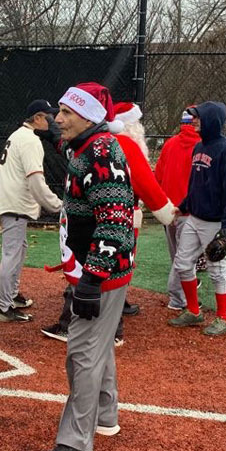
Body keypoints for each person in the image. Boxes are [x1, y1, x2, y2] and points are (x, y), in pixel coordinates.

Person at [35, 82, 134, 451]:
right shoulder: (85, 148)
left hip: (102, 272)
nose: (58, 119)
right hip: (97, 268)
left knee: (81, 353)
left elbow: (115, 222)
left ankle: (77, 443)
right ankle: (105, 416)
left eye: (67, 112)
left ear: (90, 116)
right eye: (58, 111)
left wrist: (92, 279)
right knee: (100, 346)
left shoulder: (102, 152)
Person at [41, 101, 173, 345]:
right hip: (121, 218)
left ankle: (98, 327)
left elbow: (144, 186)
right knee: (112, 271)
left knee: (96, 268)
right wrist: (165, 211)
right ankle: (111, 325)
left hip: (104, 220)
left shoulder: (110, 147)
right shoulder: (118, 145)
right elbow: (149, 187)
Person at [167, 102, 226, 336]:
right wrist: (184, 206)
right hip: (195, 217)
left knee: (217, 268)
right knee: (181, 263)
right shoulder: (199, 146)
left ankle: (223, 318)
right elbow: (195, 184)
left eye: (198, 117)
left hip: (215, 221)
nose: (194, 121)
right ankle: (193, 310)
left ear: (211, 119)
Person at [0, 99, 63, 322]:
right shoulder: (30, 140)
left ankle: (11, 295)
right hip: (14, 204)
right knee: (12, 254)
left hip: (12, 202)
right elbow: (36, 182)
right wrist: (58, 206)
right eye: (48, 116)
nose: (52, 120)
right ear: (38, 118)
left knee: (19, 249)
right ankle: (4, 307)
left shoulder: (19, 135)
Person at [154, 107, 202, 312]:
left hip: (169, 208)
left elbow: (158, 176)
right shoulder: (203, 145)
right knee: (185, 257)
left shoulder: (170, 143)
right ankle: (178, 297)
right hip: (190, 210)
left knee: (177, 255)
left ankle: (181, 293)